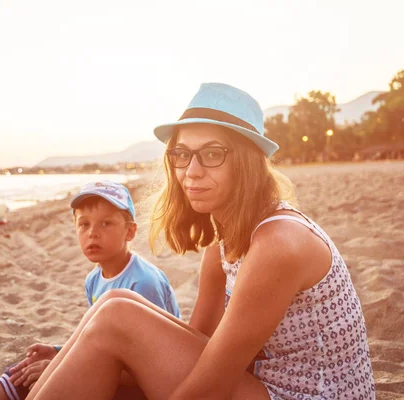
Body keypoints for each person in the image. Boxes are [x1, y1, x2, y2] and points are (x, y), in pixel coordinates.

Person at [23, 83, 376, 400]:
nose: (191, 171)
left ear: (247, 162)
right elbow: (200, 346)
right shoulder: (223, 245)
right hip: (260, 386)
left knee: (117, 314)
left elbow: (208, 387)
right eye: (182, 154)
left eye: (212, 153)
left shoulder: (278, 243)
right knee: (116, 302)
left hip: (306, 395)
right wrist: (76, 357)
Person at [0, 181, 180, 400]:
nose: (93, 233)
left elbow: (150, 367)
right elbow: (99, 341)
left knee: (53, 375)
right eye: (84, 224)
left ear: (130, 231)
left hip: (146, 385)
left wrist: (59, 367)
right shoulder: (93, 279)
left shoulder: (143, 283)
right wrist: (57, 352)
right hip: (116, 366)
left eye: (106, 223)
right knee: (26, 371)